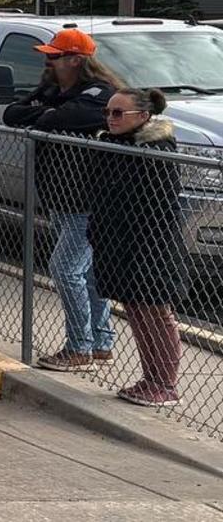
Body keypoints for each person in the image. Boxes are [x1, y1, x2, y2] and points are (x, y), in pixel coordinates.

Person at [1, 29, 120, 372]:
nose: (47, 61)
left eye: (54, 57)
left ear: (75, 60)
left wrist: (48, 113)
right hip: (57, 194)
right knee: (89, 272)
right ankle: (100, 341)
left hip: (88, 199)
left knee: (65, 269)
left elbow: (68, 118)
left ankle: (79, 346)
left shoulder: (100, 93)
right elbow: (12, 113)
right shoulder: (52, 89)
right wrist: (48, 111)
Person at [90, 89, 189, 407]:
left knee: (156, 311)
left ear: (143, 116)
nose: (110, 118)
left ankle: (165, 383)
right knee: (135, 310)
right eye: (108, 112)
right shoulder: (114, 144)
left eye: (119, 113)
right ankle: (150, 378)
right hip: (121, 242)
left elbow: (156, 205)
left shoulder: (157, 148)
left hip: (151, 244)